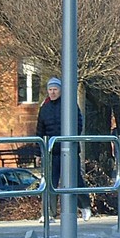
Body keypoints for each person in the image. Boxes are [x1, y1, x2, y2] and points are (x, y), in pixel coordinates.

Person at [35, 76, 92, 221]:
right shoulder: (44, 108)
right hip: (52, 152)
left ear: (61, 90)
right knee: (50, 182)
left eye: (55, 89)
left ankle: (85, 206)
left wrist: (71, 141)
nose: (52, 92)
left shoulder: (69, 104)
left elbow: (79, 123)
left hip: (70, 150)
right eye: (50, 90)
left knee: (75, 179)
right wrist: (38, 153)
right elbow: (39, 131)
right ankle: (49, 213)